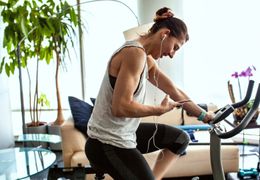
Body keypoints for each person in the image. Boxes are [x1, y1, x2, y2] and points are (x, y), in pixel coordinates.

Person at [85, 7, 214, 180]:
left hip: (123, 135)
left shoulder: (145, 57)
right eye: (175, 47)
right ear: (165, 34)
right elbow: (120, 108)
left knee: (179, 139)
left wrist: (204, 115)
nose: (172, 54)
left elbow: (174, 90)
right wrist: (157, 110)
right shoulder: (134, 53)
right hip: (106, 143)